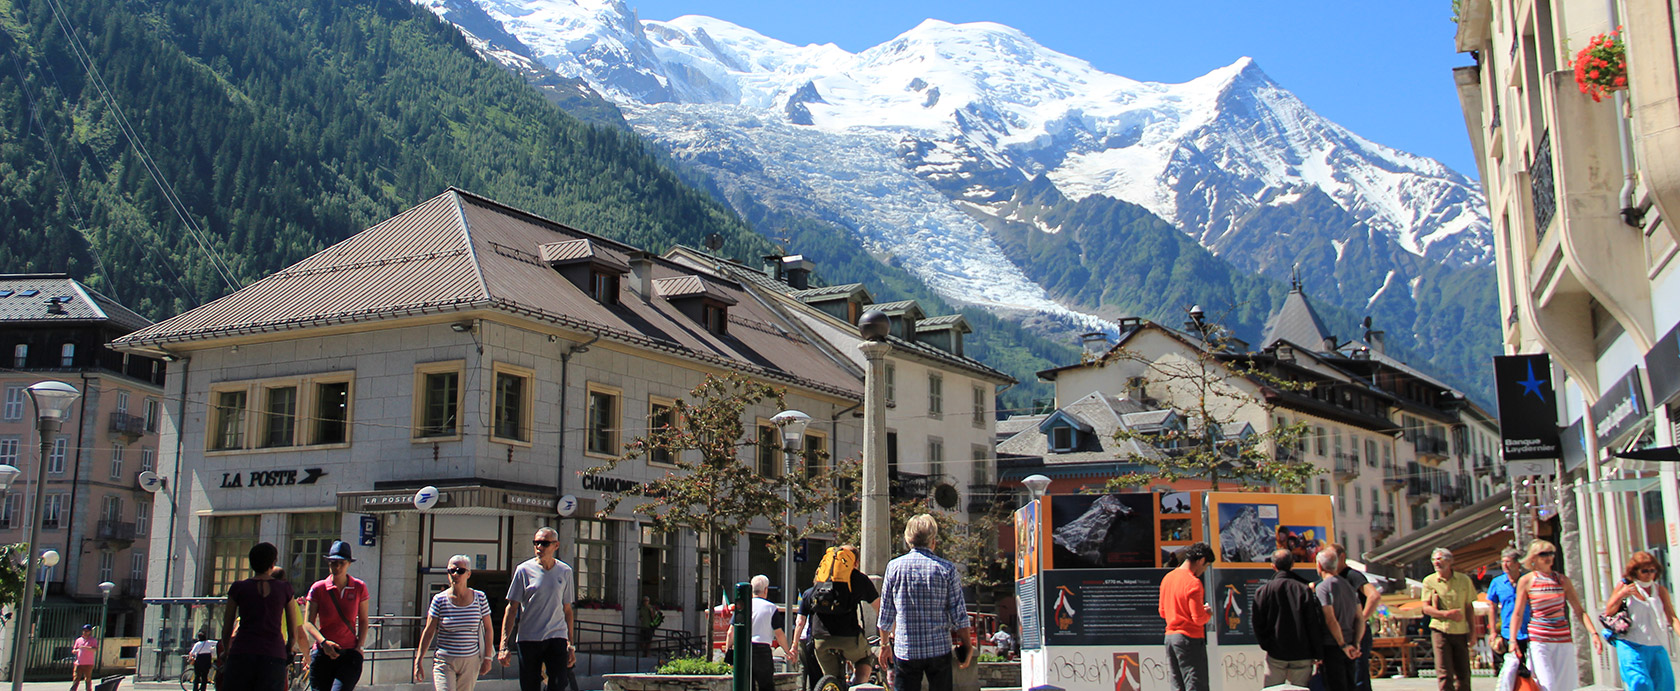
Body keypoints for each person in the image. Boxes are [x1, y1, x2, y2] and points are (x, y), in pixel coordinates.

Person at [878, 514, 973, 691]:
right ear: (933, 541)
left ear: (907, 540)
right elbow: (958, 614)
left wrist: (884, 645)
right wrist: (967, 645)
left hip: (906, 649)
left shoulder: (894, 567)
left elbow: (886, 613)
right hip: (938, 648)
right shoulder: (947, 569)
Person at [1511, 539, 1600, 691]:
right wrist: (1513, 640)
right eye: (1543, 554)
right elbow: (1518, 613)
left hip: (1563, 639)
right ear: (1533, 558)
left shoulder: (1562, 580)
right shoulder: (1527, 581)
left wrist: (1594, 633)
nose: (1548, 557)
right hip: (1540, 640)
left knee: (1566, 686)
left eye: (1551, 553)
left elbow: (1579, 610)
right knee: (1548, 685)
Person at [219, 542, 308, 691]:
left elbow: (227, 626)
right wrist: (289, 648)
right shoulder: (284, 589)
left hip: (242, 652)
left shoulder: (238, 588)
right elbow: (293, 632)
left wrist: (227, 650)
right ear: (272, 563)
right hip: (273, 653)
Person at [498, 527, 578, 691]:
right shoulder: (523, 570)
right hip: (529, 637)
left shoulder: (565, 571)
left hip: (556, 636)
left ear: (556, 546)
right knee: (529, 686)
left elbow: (568, 610)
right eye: (536, 543)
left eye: (544, 543)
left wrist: (571, 645)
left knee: (558, 684)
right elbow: (512, 608)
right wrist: (504, 646)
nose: (539, 547)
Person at [414, 555, 494, 691]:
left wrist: (487, 658)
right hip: (445, 660)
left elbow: (488, 629)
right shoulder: (439, 600)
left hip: (470, 660)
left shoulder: (480, 598)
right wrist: (418, 659)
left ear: (468, 574)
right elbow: (429, 630)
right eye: (452, 571)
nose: (456, 574)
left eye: (460, 571)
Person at [1605, 551, 1680, 691]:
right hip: (1631, 644)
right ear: (1635, 571)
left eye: (1652, 570)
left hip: (1656, 645)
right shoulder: (1625, 586)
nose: (1649, 574)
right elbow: (1609, 611)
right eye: (1644, 570)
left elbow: (1672, 616)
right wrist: (1622, 594)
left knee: (1664, 686)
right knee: (1640, 683)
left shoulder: (1660, 590)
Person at [808, 546, 881, 687]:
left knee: (831, 678)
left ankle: (832, 684)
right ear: (856, 562)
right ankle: (858, 686)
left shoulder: (821, 576)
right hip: (848, 638)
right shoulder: (859, 579)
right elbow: (879, 609)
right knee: (865, 659)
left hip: (820, 638)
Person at [304, 540, 370, 691]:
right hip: (322, 654)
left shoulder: (359, 587)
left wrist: (359, 646)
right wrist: (323, 643)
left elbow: (364, 620)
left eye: (341, 562)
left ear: (349, 564)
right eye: (333, 562)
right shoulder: (318, 588)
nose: (337, 567)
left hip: (349, 655)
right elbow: (308, 622)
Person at [1253, 549, 1321, 687]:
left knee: (1272, 689)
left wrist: (1266, 644)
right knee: (1300, 688)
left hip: (1276, 652)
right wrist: (1317, 652)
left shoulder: (1263, 591)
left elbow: (1257, 622)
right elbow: (1312, 622)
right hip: (1302, 652)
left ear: (1273, 566)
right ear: (1292, 564)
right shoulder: (1303, 590)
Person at [1158, 542, 1214, 691]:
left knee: (1177, 684)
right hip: (1190, 639)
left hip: (1170, 638)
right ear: (1201, 560)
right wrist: (1207, 613)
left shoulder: (1168, 578)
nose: (1204, 570)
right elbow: (1198, 618)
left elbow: (1163, 612)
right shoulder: (1193, 583)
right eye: (1206, 565)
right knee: (1195, 684)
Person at [1325, 543, 1380, 691]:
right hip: (1343, 633)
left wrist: (1361, 620)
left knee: (1358, 677)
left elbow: (1374, 596)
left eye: (1332, 557)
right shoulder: (1333, 578)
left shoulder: (1352, 575)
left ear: (1342, 557)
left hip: (1357, 632)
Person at [1421, 548, 1475, 691]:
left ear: (1451, 561)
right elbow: (1425, 608)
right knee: (1444, 674)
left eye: (1440, 558)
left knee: (1463, 674)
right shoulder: (1429, 581)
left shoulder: (1464, 580)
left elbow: (1469, 607)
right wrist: (1446, 614)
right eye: (1434, 559)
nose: (1436, 562)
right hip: (1440, 630)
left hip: (1461, 631)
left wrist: (1473, 632)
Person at [725, 575, 791, 691]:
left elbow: (731, 632)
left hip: (743, 650)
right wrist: (787, 651)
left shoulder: (742, 606)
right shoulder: (771, 608)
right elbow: (779, 634)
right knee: (766, 686)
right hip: (762, 650)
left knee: (746, 685)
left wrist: (728, 651)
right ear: (766, 590)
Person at [1314, 550, 1363, 691]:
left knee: (1336, 685)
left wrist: (1342, 645)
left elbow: (1330, 619)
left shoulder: (1323, 588)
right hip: (1351, 645)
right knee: (1350, 685)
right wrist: (1356, 643)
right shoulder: (1349, 586)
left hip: (1333, 645)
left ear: (1319, 565)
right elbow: (1359, 617)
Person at [1486, 548, 1528, 677]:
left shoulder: (1527, 580)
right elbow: (1492, 607)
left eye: (1508, 562)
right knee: (1513, 669)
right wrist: (1493, 631)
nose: (1504, 565)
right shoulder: (1497, 583)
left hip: (1529, 629)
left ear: (1517, 563)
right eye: (1502, 561)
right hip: (1508, 631)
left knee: (1531, 668)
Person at [793, 586, 821, 691]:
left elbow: (799, 622)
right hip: (815, 638)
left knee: (802, 668)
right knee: (815, 670)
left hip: (802, 637)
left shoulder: (808, 594)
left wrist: (794, 643)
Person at [71, 623, 96, 691]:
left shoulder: (93, 640)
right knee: (76, 679)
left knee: (87, 679)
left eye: (87, 631)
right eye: (84, 630)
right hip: (79, 663)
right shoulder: (79, 640)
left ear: (90, 632)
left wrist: (85, 647)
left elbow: (94, 649)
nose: (85, 632)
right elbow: (74, 649)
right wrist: (75, 651)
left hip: (88, 663)